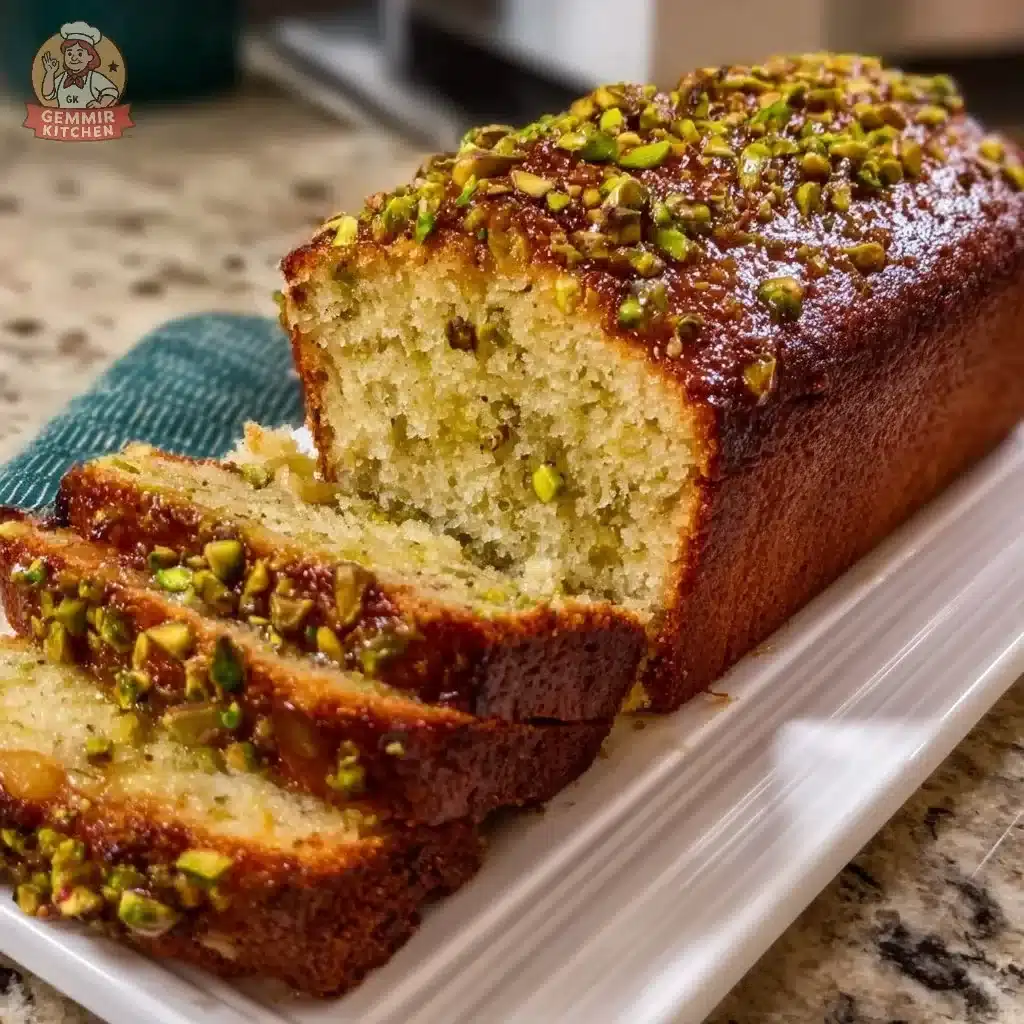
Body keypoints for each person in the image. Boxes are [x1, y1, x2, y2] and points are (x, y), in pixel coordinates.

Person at [40, 21, 119, 109]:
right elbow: (48, 95)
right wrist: (50, 73)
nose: (74, 58)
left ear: (90, 57)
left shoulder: (93, 77)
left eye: (80, 54)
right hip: (64, 119)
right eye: (69, 54)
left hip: (90, 120)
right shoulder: (62, 77)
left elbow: (111, 93)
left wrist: (101, 104)